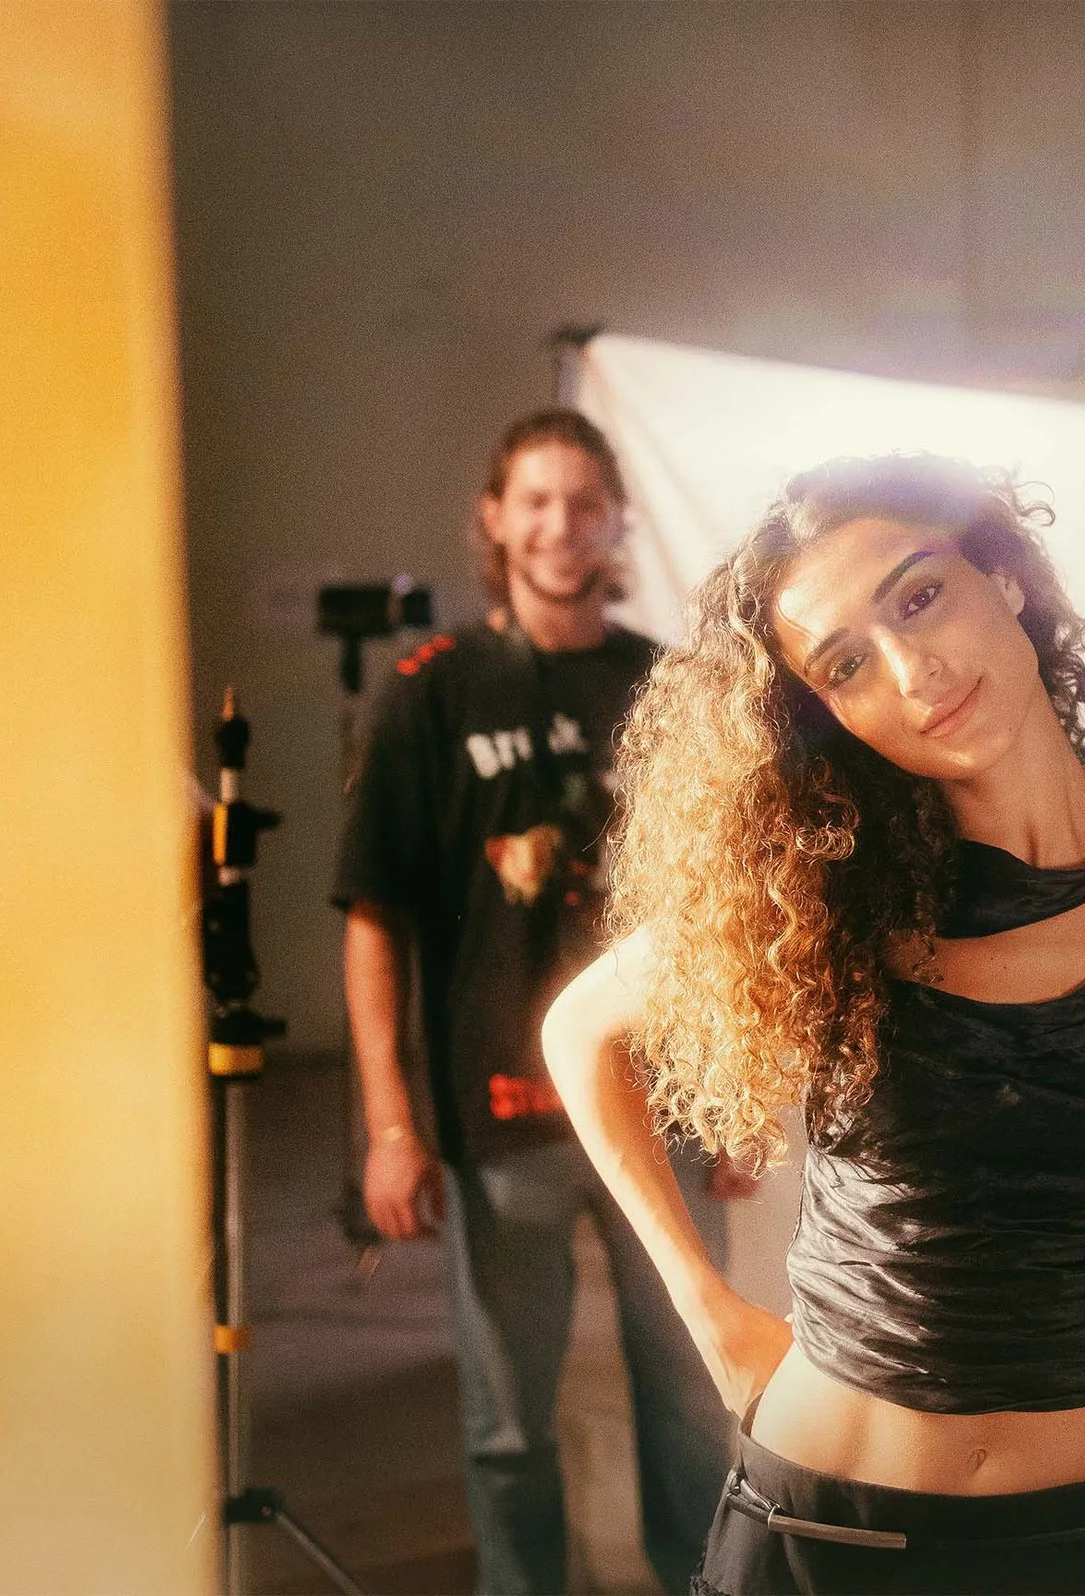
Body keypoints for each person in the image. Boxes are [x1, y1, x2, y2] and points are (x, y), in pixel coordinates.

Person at [541, 456, 1085, 1595]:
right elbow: (582, 1031)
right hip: (826, 1536)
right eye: (848, 664)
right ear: (829, 716)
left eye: (920, 597)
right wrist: (705, 1307)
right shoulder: (820, 890)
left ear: (1003, 578)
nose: (914, 671)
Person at [333, 410, 738, 1596]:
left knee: (695, 1390)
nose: (561, 526)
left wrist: (734, 1094)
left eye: (585, 502)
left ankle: (700, 1584)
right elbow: (373, 918)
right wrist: (391, 1124)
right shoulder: (429, 691)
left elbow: (719, 904)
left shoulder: (667, 685)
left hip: (664, 1107)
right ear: (497, 520)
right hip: (501, 1117)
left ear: (616, 521)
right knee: (508, 1420)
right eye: (537, 502)